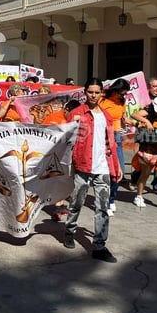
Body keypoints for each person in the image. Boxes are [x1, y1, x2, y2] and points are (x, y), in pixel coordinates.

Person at [63, 77, 123, 263]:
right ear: (85, 92)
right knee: (77, 202)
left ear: (101, 93)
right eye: (90, 92)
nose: (94, 95)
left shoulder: (106, 116)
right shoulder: (77, 113)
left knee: (102, 207)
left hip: (102, 166)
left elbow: (111, 143)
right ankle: (69, 231)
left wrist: (117, 164)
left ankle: (99, 246)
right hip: (83, 165)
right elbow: (68, 141)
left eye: (97, 92)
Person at [99, 78, 130, 216]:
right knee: (105, 171)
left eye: (125, 94)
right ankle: (104, 201)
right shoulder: (102, 100)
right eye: (121, 93)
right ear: (115, 90)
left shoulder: (122, 102)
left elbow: (123, 118)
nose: (123, 96)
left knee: (119, 171)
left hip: (117, 136)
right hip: (102, 136)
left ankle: (111, 199)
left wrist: (133, 122)